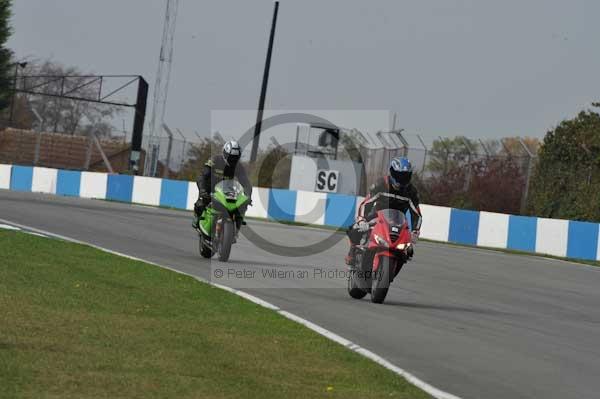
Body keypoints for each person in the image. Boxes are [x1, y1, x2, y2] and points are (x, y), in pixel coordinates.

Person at [345, 156, 422, 266]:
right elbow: (366, 203)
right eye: (399, 176)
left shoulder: (411, 192)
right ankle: (352, 252)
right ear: (392, 173)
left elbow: (417, 214)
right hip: (377, 215)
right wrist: (361, 220)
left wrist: (415, 231)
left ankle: (394, 267)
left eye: (404, 176)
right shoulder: (381, 184)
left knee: (409, 251)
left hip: (398, 221)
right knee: (354, 229)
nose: (401, 179)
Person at [192, 140, 252, 229]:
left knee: (242, 205)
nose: (232, 160)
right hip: (210, 188)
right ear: (225, 153)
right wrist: (202, 190)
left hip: (226, 190)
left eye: (235, 157)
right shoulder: (214, 160)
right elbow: (203, 176)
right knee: (201, 204)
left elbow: (246, 183)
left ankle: (237, 224)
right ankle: (198, 218)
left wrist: (248, 196)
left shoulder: (239, 166)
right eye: (231, 157)